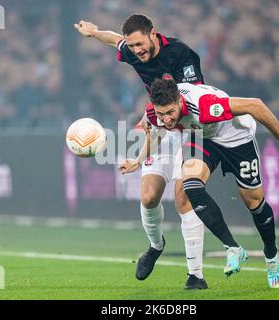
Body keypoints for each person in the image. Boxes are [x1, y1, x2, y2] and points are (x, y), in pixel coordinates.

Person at [120, 78, 279, 288]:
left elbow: (255, 105)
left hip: (237, 139)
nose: (166, 119)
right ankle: (233, 248)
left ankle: (271, 253)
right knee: (190, 185)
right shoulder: (155, 113)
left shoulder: (205, 106)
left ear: (180, 102)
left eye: (170, 113)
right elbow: (156, 134)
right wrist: (137, 162)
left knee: (254, 203)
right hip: (203, 138)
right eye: (161, 114)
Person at [74, 14, 208, 289]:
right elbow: (116, 41)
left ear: (153, 34)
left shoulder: (181, 54)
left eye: (140, 44)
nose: (137, 51)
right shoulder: (133, 51)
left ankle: (196, 276)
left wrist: (154, 122)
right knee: (148, 197)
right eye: (132, 47)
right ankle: (155, 245)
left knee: (183, 199)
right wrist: (95, 32)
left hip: (189, 130)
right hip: (158, 126)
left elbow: (193, 100)